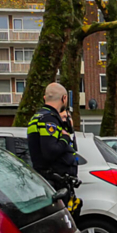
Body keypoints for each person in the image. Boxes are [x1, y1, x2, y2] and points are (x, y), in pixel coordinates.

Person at [28, 83, 81, 215]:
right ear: (64, 98)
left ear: (45, 97)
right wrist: (65, 138)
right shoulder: (49, 119)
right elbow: (50, 152)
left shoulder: (39, 117)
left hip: (52, 183)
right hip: (54, 185)